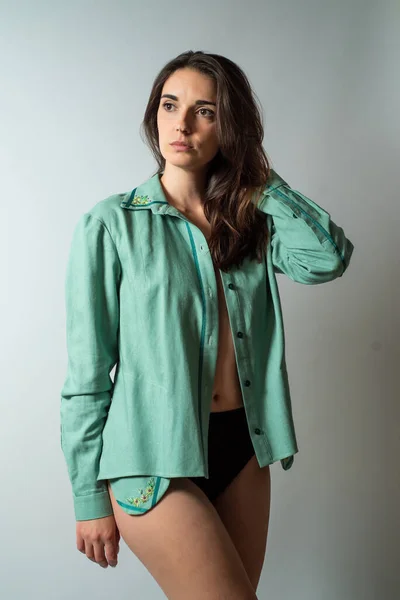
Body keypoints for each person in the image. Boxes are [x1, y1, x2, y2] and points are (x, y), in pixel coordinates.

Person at [60, 50, 354, 599]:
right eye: (171, 105)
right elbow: (88, 373)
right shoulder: (111, 224)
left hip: (244, 447)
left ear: (230, 126)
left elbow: (327, 259)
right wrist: (87, 496)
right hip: (152, 460)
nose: (183, 123)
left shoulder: (249, 223)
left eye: (206, 111)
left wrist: (261, 183)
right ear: (154, 114)